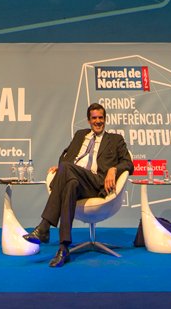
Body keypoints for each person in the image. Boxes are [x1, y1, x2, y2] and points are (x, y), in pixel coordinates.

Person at [23, 102, 134, 267]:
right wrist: (61, 169)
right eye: (94, 118)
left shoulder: (115, 139)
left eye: (101, 118)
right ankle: (63, 248)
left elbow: (129, 163)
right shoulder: (80, 135)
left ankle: (44, 227)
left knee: (66, 168)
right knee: (70, 185)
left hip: (96, 183)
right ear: (89, 120)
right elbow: (66, 156)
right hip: (76, 180)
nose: (98, 121)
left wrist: (113, 169)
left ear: (105, 119)